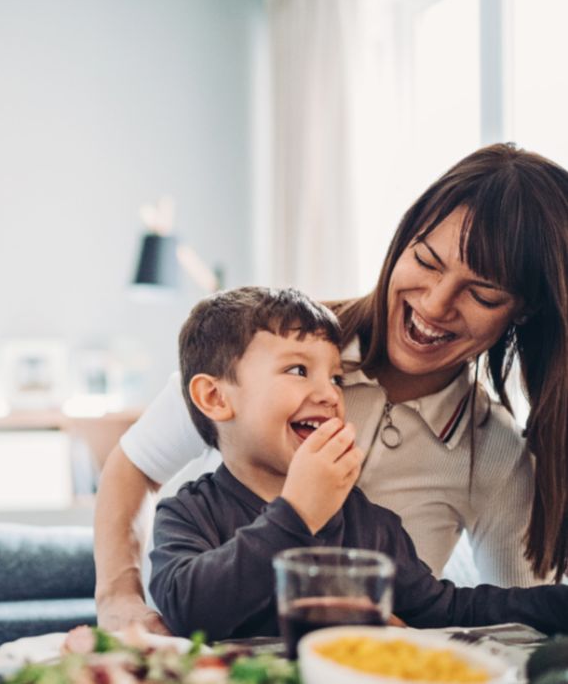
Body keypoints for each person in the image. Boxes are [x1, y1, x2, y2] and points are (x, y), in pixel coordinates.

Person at [96, 143, 568, 633]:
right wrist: (119, 600)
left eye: (482, 294)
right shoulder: (282, 344)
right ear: (402, 241)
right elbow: (134, 466)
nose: (435, 303)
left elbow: (506, 631)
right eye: (427, 261)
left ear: (523, 311)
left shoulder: (489, 455)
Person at [149, 286, 568, 640]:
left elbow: (446, 607)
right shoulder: (188, 513)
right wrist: (297, 513)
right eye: (298, 369)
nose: (331, 395)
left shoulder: (367, 522)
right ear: (216, 398)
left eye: (335, 377)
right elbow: (190, 611)